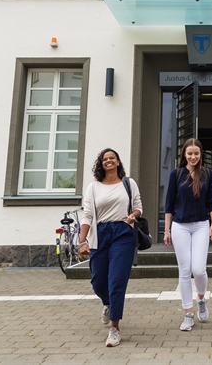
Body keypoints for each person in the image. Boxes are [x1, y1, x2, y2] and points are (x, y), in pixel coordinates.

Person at [78, 148, 142, 348]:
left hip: (123, 234)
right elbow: (87, 215)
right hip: (100, 234)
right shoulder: (94, 187)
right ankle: (108, 303)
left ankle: (114, 328)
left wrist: (134, 215)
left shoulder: (128, 184)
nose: (108, 161)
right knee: (98, 281)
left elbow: (139, 206)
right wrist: (82, 241)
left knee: (116, 281)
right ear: (101, 164)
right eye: (105, 159)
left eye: (112, 158)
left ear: (118, 161)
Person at [164, 138, 212, 331]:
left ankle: (201, 299)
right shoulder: (176, 174)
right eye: (190, 153)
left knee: (199, 269)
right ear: (184, 155)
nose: (193, 157)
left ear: (200, 154)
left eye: (196, 153)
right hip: (180, 226)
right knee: (185, 270)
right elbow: (169, 204)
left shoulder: (208, 174)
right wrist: (167, 229)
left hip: (201, 225)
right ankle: (188, 314)